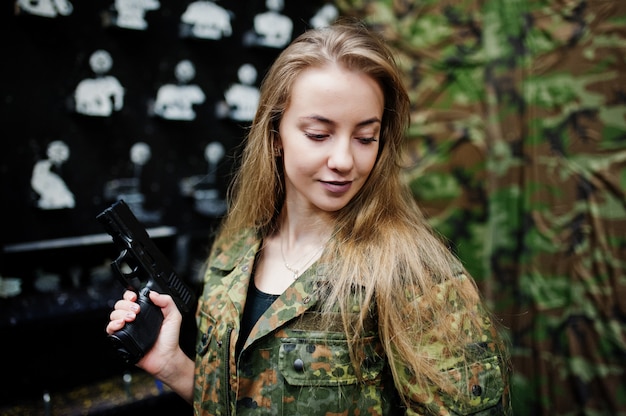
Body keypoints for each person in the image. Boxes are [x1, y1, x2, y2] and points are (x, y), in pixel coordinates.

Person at [106, 19, 512, 415]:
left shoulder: (413, 270)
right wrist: (173, 366)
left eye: (365, 137)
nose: (343, 160)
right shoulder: (236, 249)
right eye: (319, 134)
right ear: (275, 134)